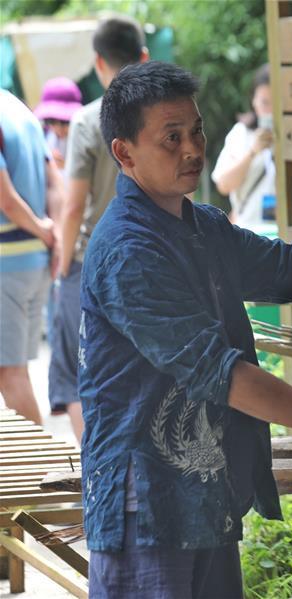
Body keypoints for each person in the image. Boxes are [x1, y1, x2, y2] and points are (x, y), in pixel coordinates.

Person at [81, 61, 292, 598]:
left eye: (196, 130)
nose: (192, 149)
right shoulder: (127, 253)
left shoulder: (203, 227)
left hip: (204, 490)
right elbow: (220, 373)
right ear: (124, 153)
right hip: (144, 502)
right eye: (171, 138)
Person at [50, 15, 148, 442]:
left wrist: (62, 266)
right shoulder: (166, 114)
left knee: (78, 375)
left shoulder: (89, 121)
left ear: (97, 63)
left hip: (92, 260)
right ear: (143, 57)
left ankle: (97, 473)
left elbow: (73, 206)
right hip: (150, 257)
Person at [0, 90, 62, 425]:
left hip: (7, 264)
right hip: (34, 261)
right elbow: (55, 183)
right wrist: (54, 239)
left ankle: (38, 471)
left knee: (10, 375)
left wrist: (41, 229)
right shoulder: (19, 108)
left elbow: (5, 198)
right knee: (15, 371)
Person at [211, 63, 283, 228]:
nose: (270, 111)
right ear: (254, 102)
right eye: (265, 103)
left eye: (277, 103)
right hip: (247, 231)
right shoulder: (241, 134)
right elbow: (223, 184)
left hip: (285, 234)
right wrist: (252, 152)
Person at [33, 77, 83, 171]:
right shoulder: (46, 138)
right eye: (51, 121)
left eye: (65, 122)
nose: (59, 129)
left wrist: (67, 166)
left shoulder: (85, 137)